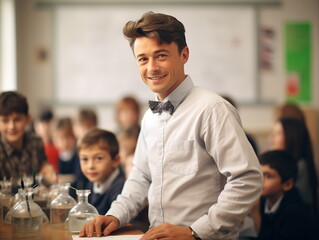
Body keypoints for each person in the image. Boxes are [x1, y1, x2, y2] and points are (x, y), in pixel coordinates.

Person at [80, 11, 262, 239]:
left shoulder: (212, 109)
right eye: (143, 59)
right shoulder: (148, 118)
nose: (152, 67)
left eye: (161, 55)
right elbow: (141, 176)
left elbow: (248, 179)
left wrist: (195, 232)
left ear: (184, 54)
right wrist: (115, 214)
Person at [251, 150, 315, 240]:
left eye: (268, 176)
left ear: (287, 184)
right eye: (259, 174)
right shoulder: (263, 200)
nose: (261, 180)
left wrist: (255, 213)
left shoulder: (295, 212)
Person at [0, 91, 57, 184]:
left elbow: (45, 169)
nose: (12, 126)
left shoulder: (35, 142)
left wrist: (49, 172)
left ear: (27, 119)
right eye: (5, 121)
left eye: (17, 119)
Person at [269, 117, 318, 212]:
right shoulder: (280, 163)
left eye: (278, 133)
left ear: (292, 136)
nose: (272, 136)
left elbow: (302, 203)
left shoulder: (300, 166)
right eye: (272, 132)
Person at [77, 128, 126, 215]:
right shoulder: (92, 182)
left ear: (115, 161)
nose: (90, 166)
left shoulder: (121, 188)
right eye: (85, 159)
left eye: (98, 158)